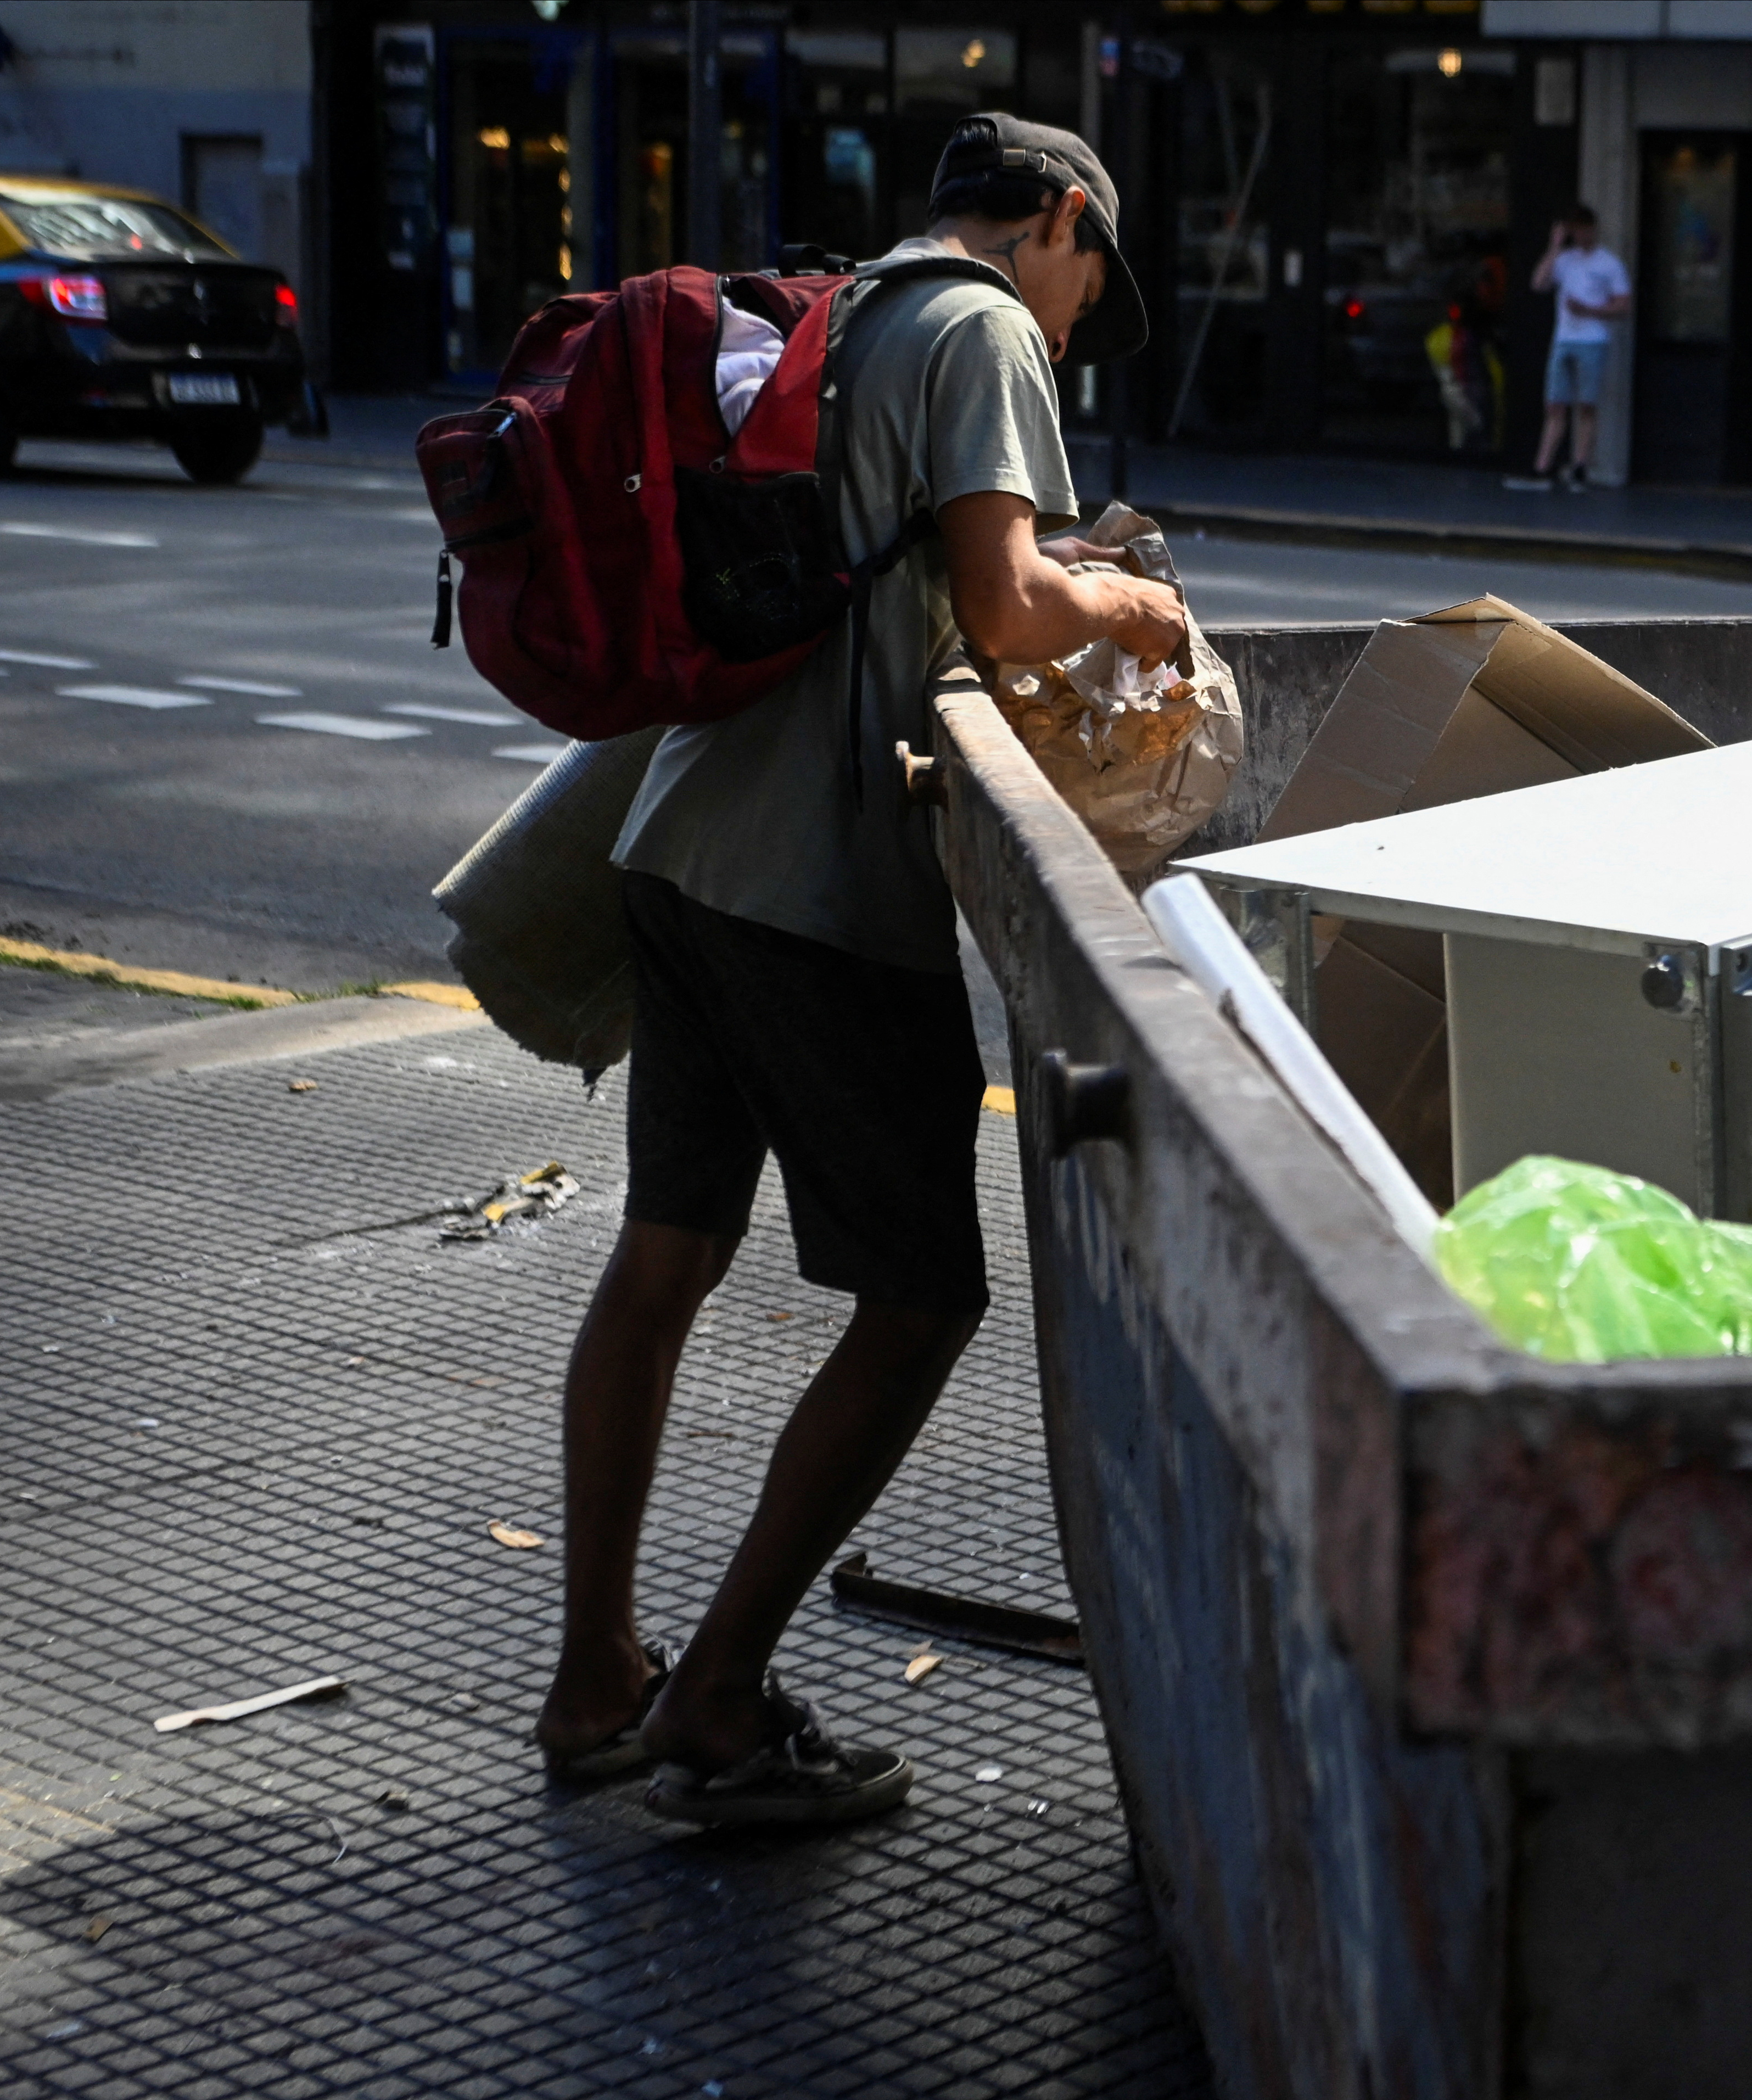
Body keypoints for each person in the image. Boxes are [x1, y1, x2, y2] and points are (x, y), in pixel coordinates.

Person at [529, 113, 1184, 1829]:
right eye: (1085, 289)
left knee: (663, 1256)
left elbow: (940, 582)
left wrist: (1061, 578)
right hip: (818, 879)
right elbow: (1007, 603)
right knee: (923, 1302)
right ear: (1057, 221)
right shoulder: (979, 325)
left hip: (680, 845)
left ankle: (598, 1672)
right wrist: (1134, 613)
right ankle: (721, 1701)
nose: (1070, 330)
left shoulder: (854, 303)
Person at [1508, 204, 1630, 492]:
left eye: (1584, 230)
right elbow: (1538, 283)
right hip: (1564, 338)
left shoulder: (1609, 264)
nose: (1580, 235)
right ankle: (1543, 467)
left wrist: (1589, 310)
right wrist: (1554, 248)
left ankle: (1579, 466)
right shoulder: (1565, 260)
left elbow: (1623, 305)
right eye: (1576, 230)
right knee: (1556, 404)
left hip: (1593, 340)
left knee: (1586, 405)